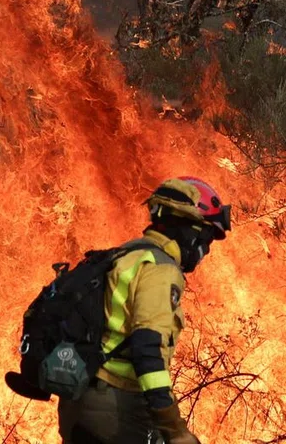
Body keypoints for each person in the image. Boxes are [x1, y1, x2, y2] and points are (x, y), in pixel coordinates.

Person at [58, 176, 231, 444]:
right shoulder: (160, 270)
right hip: (116, 409)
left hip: (78, 402)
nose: (206, 250)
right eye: (207, 237)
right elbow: (147, 350)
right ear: (189, 229)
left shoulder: (126, 254)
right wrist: (174, 428)